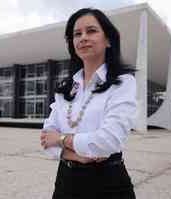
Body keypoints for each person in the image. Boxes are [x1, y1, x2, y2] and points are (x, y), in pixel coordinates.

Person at [40, 8, 136, 199]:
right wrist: (79, 154)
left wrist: (61, 140)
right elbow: (46, 138)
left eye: (91, 31)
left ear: (108, 40)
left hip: (108, 183)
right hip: (65, 182)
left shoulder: (123, 83)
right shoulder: (65, 88)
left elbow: (108, 141)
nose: (83, 37)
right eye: (77, 34)